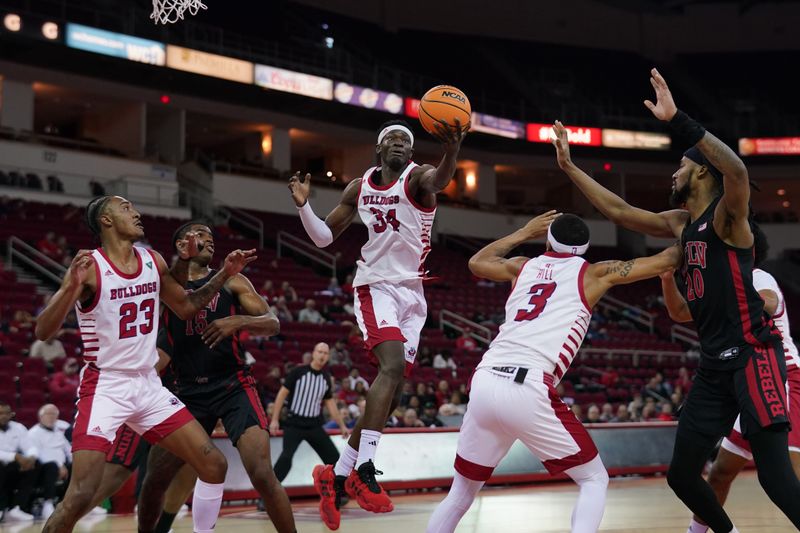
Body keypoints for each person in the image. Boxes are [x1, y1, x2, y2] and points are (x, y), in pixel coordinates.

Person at [553, 68, 800, 533]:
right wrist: (570, 169)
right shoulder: (678, 223)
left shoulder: (729, 217)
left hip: (752, 354)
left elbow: (739, 170)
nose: (674, 172)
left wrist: (678, 119)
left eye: (680, 166)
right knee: (682, 475)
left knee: (773, 474)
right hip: (713, 366)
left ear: (701, 169)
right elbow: (621, 212)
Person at [426, 211, 681, 533]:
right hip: (526, 383)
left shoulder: (521, 266)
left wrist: (523, 231)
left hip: (486, 378)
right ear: (585, 247)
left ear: (548, 239)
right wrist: (696, 228)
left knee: (461, 492)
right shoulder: (594, 273)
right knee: (593, 478)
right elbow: (666, 259)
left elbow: (477, 262)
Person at [34, 196, 255, 533]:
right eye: (125, 208)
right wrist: (71, 289)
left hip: (148, 384)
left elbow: (185, 307)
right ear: (106, 221)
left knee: (213, 464)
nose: (136, 213)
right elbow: (43, 331)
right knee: (80, 495)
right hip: (106, 386)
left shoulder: (152, 260)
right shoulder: (90, 266)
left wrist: (225, 273)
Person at [290, 117, 465, 529]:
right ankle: (364, 470)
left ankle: (333, 477)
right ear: (380, 149)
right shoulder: (360, 186)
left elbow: (440, 177)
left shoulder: (419, 177)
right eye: (395, 141)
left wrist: (453, 150)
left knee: (394, 394)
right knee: (389, 368)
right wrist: (303, 206)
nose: (403, 146)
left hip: (413, 295)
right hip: (376, 286)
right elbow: (322, 237)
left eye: (407, 141)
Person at [135, 222, 296, 533]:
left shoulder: (233, 281)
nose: (210, 242)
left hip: (233, 385)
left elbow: (272, 322)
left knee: (262, 473)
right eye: (201, 237)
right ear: (182, 244)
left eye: (212, 239)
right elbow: (167, 335)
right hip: (186, 391)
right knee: (156, 476)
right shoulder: (165, 283)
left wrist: (237, 321)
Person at [660, 230, 800, 533]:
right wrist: (668, 280)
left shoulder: (757, 275)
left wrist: (726, 294)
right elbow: (678, 312)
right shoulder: (717, 283)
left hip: (782, 375)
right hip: (742, 377)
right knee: (720, 472)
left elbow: (769, 302)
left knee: (786, 474)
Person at [271, 342, 350, 483]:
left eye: (325, 353)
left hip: (314, 425)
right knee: (286, 457)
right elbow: (282, 394)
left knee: (334, 458)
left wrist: (342, 425)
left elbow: (330, 404)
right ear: (313, 353)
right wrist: (275, 419)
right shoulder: (298, 372)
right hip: (293, 423)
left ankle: (338, 493)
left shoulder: (326, 378)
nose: (322, 355)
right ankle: (268, 495)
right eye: (320, 352)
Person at [25, 404, 72, 520]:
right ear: (40, 417)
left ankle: (73, 503)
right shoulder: (33, 433)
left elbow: (68, 450)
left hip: (61, 465)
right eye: (48, 414)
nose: (51, 417)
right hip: (44, 467)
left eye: (54, 415)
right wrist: (59, 465)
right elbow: (38, 455)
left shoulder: (58, 432)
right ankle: (48, 504)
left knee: (78, 466)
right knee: (51, 467)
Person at [0, 400, 36, 522]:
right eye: (0, 413)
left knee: (34, 466)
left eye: (6, 413)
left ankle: (16, 508)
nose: (4, 416)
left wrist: (31, 458)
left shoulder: (18, 428)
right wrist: (15, 456)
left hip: (13, 465)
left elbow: (30, 446)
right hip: (3, 464)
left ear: (11, 414)